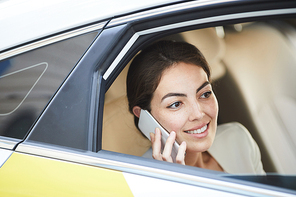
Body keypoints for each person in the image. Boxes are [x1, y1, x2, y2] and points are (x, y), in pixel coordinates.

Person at [126, 40, 265, 174]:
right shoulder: (141, 184)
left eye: (204, 94)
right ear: (144, 116)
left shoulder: (237, 139)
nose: (198, 114)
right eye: (176, 104)